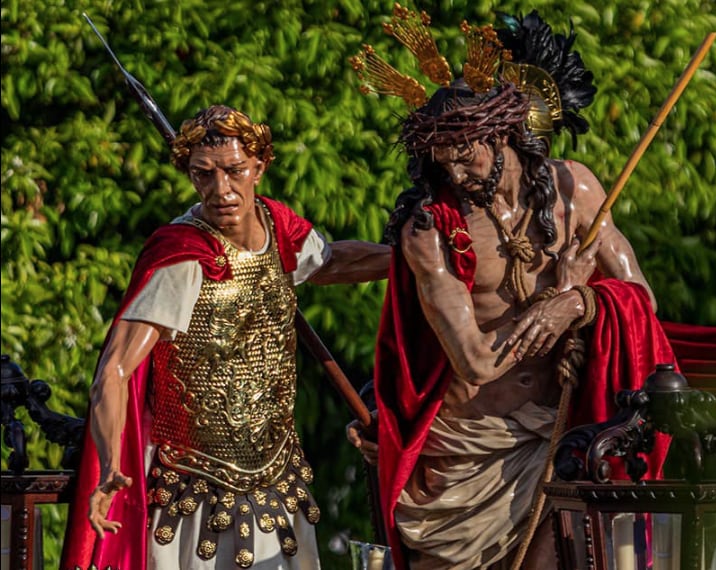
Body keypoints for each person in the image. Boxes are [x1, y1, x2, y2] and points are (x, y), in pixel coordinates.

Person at [347, 9, 676, 570]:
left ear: (502, 133)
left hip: (561, 438)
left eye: (466, 156)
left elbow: (641, 302)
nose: (456, 176)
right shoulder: (430, 233)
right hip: (466, 454)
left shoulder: (577, 191)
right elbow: (474, 359)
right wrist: (554, 309)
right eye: (442, 163)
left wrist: (581, 301)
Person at [61, 104, 390, 570]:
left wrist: (407, 259)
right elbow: (114, 371)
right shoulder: (181, 255)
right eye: (204, 175)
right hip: (193, 492)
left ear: (259, 166)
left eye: (234, 171)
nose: (221, 190)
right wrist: (111, 465)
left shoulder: (281, 230)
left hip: (277, 480)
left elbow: (331, 262)